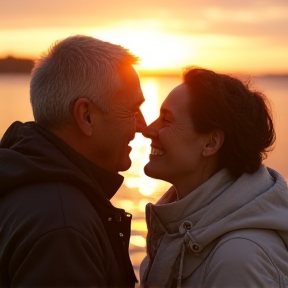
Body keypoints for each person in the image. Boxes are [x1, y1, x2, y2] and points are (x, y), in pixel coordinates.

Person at [0, 35, 147, 287]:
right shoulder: (63, 227)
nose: (142, 125)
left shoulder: (23, 179)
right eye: (132, 110)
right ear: (86, 116)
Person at [139, 67, 288, 288]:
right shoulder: (175, 233)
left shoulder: (238, 259)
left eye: (167, 119)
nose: (148, 130)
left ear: (210, 143)